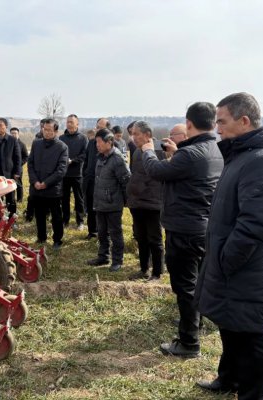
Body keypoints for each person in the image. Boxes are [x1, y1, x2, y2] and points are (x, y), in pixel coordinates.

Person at [195, 93, 263, 400]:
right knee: (231, 324)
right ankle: (229, 378)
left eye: (222, 121)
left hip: (245, 266)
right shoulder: (244, 154)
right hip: (232, 262)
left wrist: (227, 258)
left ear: (244, 121)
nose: (217, 129)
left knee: (251, 335)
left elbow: (257, 224)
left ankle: (253, 394)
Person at [142, 104, 223, 359]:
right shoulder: (216, 149)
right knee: (198, 281)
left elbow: (156, 171)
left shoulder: (192, 154)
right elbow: (186, 174)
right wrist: (176, 155)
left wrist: (147, 151)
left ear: (189, 124)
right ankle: (196, 324)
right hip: (205, 226)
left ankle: (189, 342)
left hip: (184, 229)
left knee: (185, 285)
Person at [87, 129, 131, 271]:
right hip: (100, 202)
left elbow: (126, 181)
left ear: (109, 142)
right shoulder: (100, 157)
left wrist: (125, 201)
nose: (97, 145)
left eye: (99, 142)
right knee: (102, 232)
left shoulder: (117, 159)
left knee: (115, 233)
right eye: (96, 142)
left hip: (113, 203)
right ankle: (103, 257)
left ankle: (117, 260)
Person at [126, 121, 165, 281]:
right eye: (132, 134)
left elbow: (162, 176)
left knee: (154, 239)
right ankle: (144, 269)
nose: (133, 137)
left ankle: (157, 272)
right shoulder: (136, 151)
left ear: (147, 134)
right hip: (137, 203)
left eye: (136, 134)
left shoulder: (159, 150)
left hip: (153, 204)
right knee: (141, 238)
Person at [27, 118, 68, 249]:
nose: (47, 132)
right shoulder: (36, 144)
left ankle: (57, 240)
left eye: (50, 130)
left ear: (56, 131)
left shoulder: (62, 147)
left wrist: (45, 183)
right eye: (45, 129)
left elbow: (61, 170)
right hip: (37, 187)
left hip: (52, 188)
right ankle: (41, 237)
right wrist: (35, 181)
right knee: (39, 214)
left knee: (56, 216)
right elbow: (30, 164)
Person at [59, 114, 88, 229]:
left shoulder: (83, 138)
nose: (69, 124)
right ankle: (65, 220)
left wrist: (73, 161)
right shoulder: (61, 138)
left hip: (77, 173)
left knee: (79, 198)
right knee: (64, 198)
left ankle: (80, 221)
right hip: (64, 174)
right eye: (67, 122)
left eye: (71, 122)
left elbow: (85, 154)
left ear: (77, 124)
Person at [24, 119, 47, 222]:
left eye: (45, 127)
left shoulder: (55, 141)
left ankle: (46, 214)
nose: (43, 129)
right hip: (36, 173)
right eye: (41, 126)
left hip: (47, 173)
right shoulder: (37, 139)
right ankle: (29, 215)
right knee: (32, 196)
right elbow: (31, 159)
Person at [82, 130, 99, 239]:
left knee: (101, 210)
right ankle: (92, 231)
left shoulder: (112, 144)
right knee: (91, 207)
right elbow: (86, 160)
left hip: (104, 182)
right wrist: (85, 173)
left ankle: (102, 233)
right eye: (97, 127)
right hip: (90, 181)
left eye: (100, 127)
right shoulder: (92, 143)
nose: (97, 129)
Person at [10, 127, 29, 202]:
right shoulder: (8, 143)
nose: (13, 135)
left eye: (15, 133)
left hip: (18, 168)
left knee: (18, 184)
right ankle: (11, 199)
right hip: (9, 168)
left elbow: (26, 157)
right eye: (12, 133)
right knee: (10, 184)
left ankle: (19, 200)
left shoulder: (22, 144)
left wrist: (20, 164)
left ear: (18, 134)